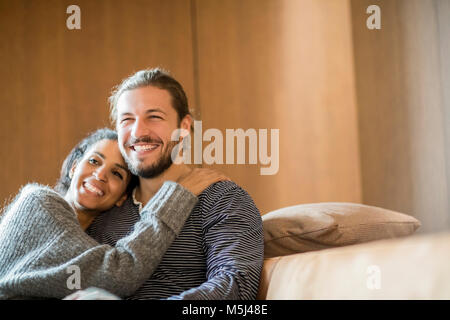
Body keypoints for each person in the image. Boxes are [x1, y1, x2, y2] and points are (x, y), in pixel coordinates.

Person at [86, 68, 264, 300]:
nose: (138, 131)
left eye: (154, 117)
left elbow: (236, 288)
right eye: (127, 119)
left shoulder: (223, 200)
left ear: (185, 127)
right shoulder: (107, 209)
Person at [0, 128, 228, 299]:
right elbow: (120, 272)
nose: (100, 175)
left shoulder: (91, 242)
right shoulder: (39, 202)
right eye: (93, 161)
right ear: (73, 167)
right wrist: (178, 194)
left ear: (122, 198)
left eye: (117, 174)